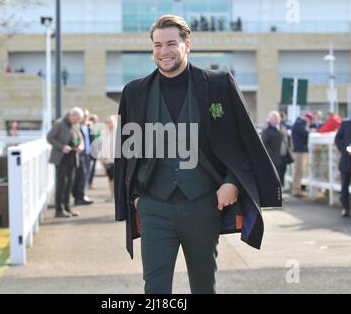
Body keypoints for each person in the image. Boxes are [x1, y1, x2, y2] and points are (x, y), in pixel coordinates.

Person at [114, 15, 281, 294]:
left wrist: (232, 182)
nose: (163, 51)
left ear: (187, 44)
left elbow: (241, 139)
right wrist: (134, 198)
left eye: (170, 43)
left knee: (204, 286)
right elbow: (126, 150)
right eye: (157, 45)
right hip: (154, 206)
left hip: (203, 204)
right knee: (154, 289)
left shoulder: (218, 84)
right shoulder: (135, 92)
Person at [47, 108, 84, 218]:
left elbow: (81, 138)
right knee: (61, 184)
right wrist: (62, 147)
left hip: (72, 157)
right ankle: (59, 209)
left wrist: (81, 146)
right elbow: (49, 137)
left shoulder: (75, 125)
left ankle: (67, 207)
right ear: (72, 115)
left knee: (69, 184)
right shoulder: (59, 124)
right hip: (61, 158)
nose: (77, 121)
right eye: (76, 119)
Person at [262, 111, 293, 188]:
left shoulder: (282, 128)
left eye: (278, 117)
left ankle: (280, 193)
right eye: (275, 118)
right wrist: (271, 154)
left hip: (284, 158)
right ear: (270, 119)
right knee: (275, 178)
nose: (277, 119)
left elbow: (287, 140)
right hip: (274, 159)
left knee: (282, 176)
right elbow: (264, 144)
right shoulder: (267, 130)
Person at [71, 109, 94, 206]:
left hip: (88, 155)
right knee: (81, 176)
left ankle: (81, 195)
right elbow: (75, 140)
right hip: (81, 155)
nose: (85, 118)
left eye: (87, 116)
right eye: (84, 116)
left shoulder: (88, 127)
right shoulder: (77, 127)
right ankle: (79, 197)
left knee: (86, 176)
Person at [291, 112, 313, 197]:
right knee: (298, 171)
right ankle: (296, 190)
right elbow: (306, 133)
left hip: (299, 151)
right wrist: (309, 128)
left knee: (299, 171)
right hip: (299, 151)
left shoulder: (299, 123)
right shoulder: (299, 124)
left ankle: (297, 189)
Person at [99, 115, 116, 202]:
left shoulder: (119, 132)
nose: (108, 123)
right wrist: (101, 158)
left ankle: (116, 196)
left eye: (110, 121)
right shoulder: (104, 132)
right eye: (107, 122)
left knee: (116, 179)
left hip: (116, 160)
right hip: (107, 160)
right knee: (110, 179)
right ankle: (112, 195)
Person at [88, 114, 100, 190]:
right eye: (95, 119)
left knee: (93, 168)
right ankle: (88, 184)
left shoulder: (96, 128)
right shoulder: (90, 128)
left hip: (95, 151)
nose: (97, 121)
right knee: (90, 168)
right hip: (91, 151)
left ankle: (90, 184)